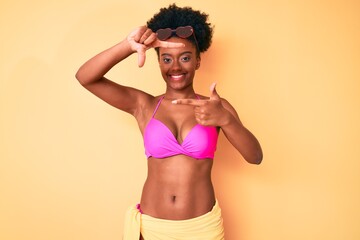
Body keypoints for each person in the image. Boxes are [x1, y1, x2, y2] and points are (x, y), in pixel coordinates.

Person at [75, 3, 262, 240]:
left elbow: (255, 157)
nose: (175, 67)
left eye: (185, 57)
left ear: (197, 61)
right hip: (153, 229)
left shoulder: (216, 107)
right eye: (166, 59)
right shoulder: (144, 105)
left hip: (202, 229)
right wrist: (128, 45)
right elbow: (86, 77)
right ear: (159, 62)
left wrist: (226, 120)